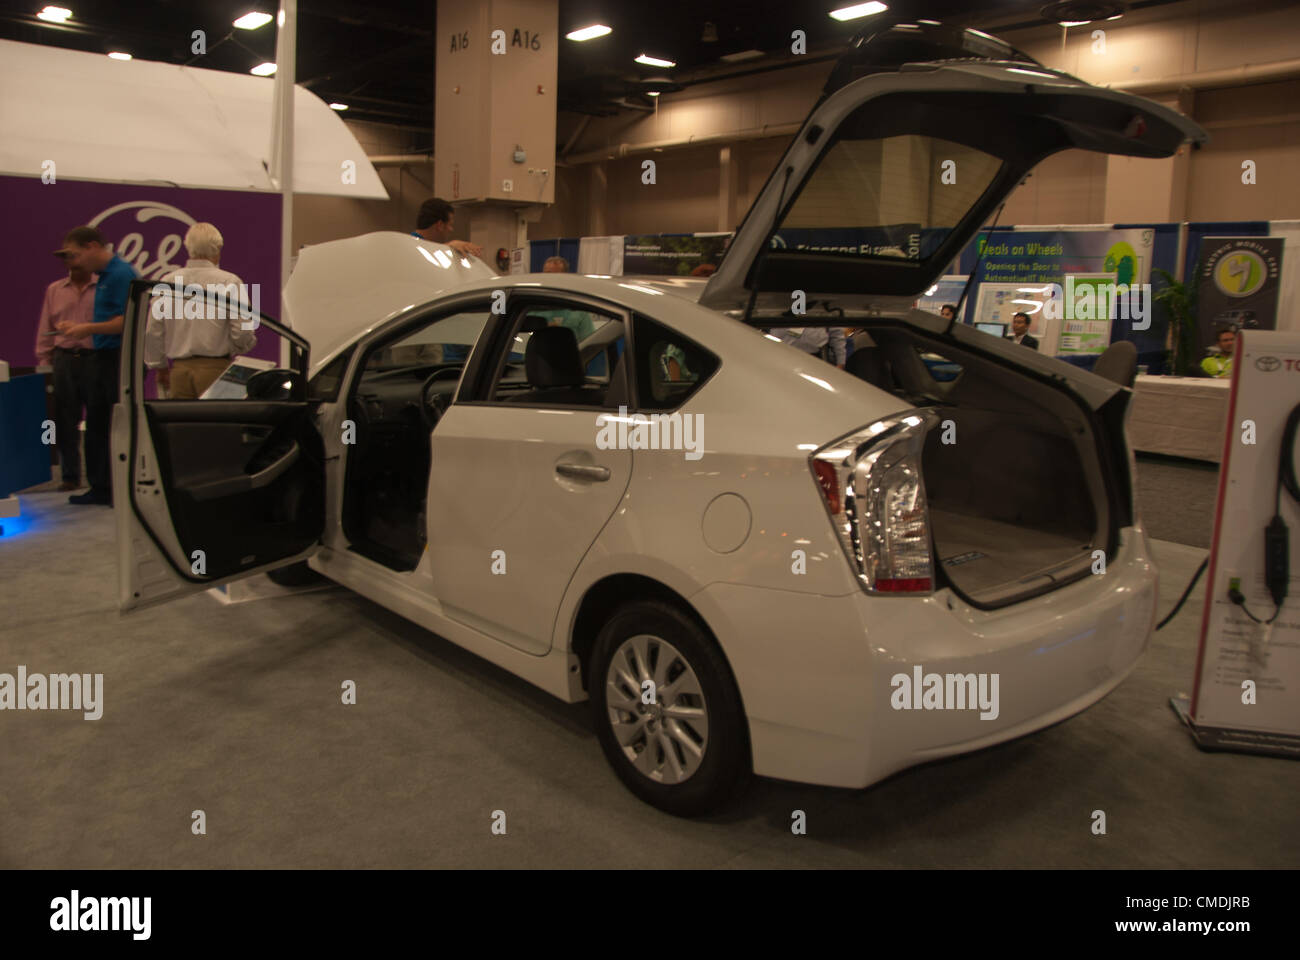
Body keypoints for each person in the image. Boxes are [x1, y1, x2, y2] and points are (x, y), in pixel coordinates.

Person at [54, 226, 139, 506]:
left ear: (92, 246)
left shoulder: (120, 275)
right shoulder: (104, 277)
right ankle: (101, 487)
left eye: (76, 255)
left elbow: (128, 320)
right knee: (97, 425)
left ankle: (118, 487)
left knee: (113, 425)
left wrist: (86, 328)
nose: (74, 262)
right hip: (102, 358)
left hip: (117, 358)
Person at [145, 223, 256, 399]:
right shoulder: (230, 281)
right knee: (216, 424)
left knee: (181, 425)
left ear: (188, 247)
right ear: (218, 248)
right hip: (216, 370)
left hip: (179, 372)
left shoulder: (168, 281)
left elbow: (153, 330)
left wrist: (160, 366)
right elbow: (242, 331)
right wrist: (240, 348)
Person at [35, 254, 98, 491]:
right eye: (70, 260)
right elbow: (46, 327)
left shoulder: (101, 288)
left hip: (94, 359)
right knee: (64, 421)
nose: (75, 264)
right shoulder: (55, 290)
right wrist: (45, 362)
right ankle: (70, 476)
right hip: (64, 359)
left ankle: (98, 477)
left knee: (97, 419)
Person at [412, 198, 483, 259]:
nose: (451, 230)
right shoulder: (412, 249)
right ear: (440, 225)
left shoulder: (411, 243)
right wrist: (447, 248)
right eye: (450, 225)